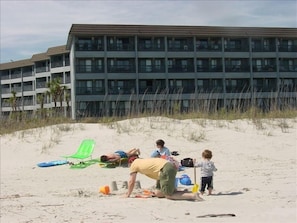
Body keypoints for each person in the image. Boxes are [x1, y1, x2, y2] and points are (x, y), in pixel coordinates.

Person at [124, 157, 203, 201]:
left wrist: (128, 194)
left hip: (165, 169)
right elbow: (155, 168)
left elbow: (131, 181)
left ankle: (193, 195)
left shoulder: (134, 164)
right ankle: (185, 192)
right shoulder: (142, 160)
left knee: (169, 195)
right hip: (167, 167)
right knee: (158, 193)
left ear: (130, 162)